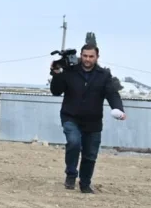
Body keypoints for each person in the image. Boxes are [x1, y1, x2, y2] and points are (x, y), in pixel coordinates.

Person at [49, 44, 126, 193]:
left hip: (93, 121)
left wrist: (118, 109)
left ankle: (85, 184)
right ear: (81, 56)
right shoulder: (70, 71)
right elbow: (56, 91)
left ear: (97, 57)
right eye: (85, 56)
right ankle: (71, 174)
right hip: (71, 116)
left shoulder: (104, 75)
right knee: (74, 142)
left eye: (91, 56)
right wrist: (57, 74)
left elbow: (112, 94)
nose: (87, 59)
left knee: (90, 154)